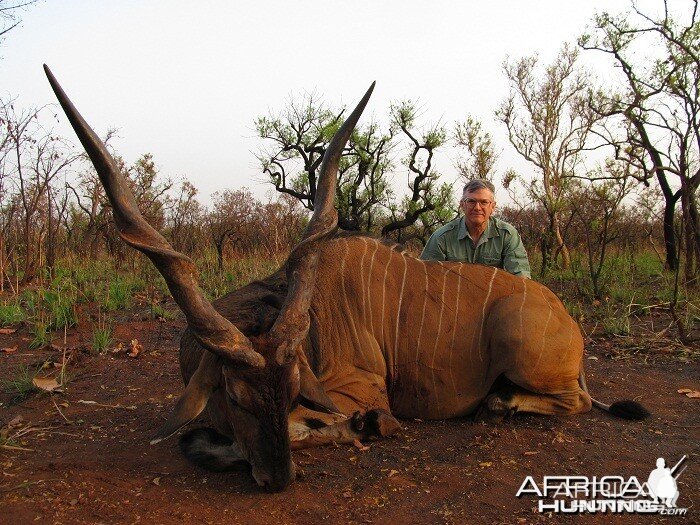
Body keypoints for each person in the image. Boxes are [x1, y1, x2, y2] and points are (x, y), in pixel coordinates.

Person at [420, 179, 531, 278]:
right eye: (471, 201)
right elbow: (426, 277)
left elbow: (521, 276)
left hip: (495, 297)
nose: (477, 208)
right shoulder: (441, 237)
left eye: (484, 202)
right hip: (453, 298)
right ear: (462, 205)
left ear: (492, 207)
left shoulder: (507, 234)